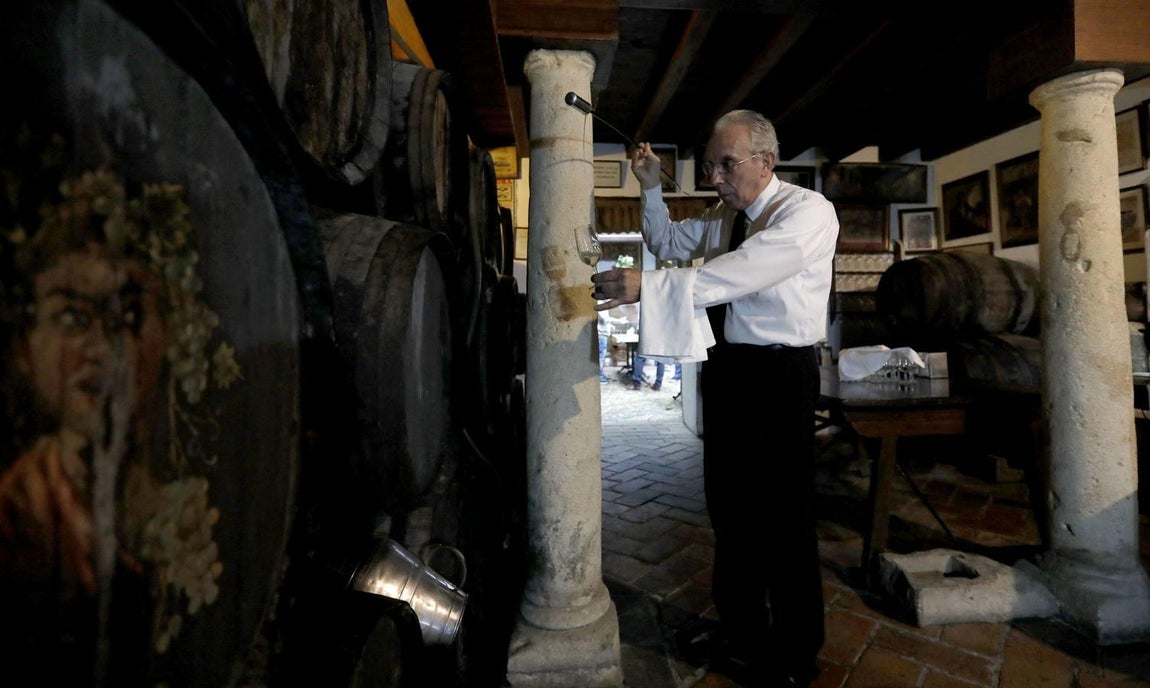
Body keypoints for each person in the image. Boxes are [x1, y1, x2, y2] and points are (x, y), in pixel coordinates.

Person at [591, 110, 839, 687]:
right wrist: (651, 187)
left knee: (785, 514)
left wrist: (648, 286)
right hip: (729, 370)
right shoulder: (725, 215)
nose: (715, 177)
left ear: (765, 163)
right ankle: (742, 632)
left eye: (725, 165)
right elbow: (667, 241)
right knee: (729, 507)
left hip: (781, 376)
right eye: (710, 166)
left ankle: (798, 654)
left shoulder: (805, 213)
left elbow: (741, 274)